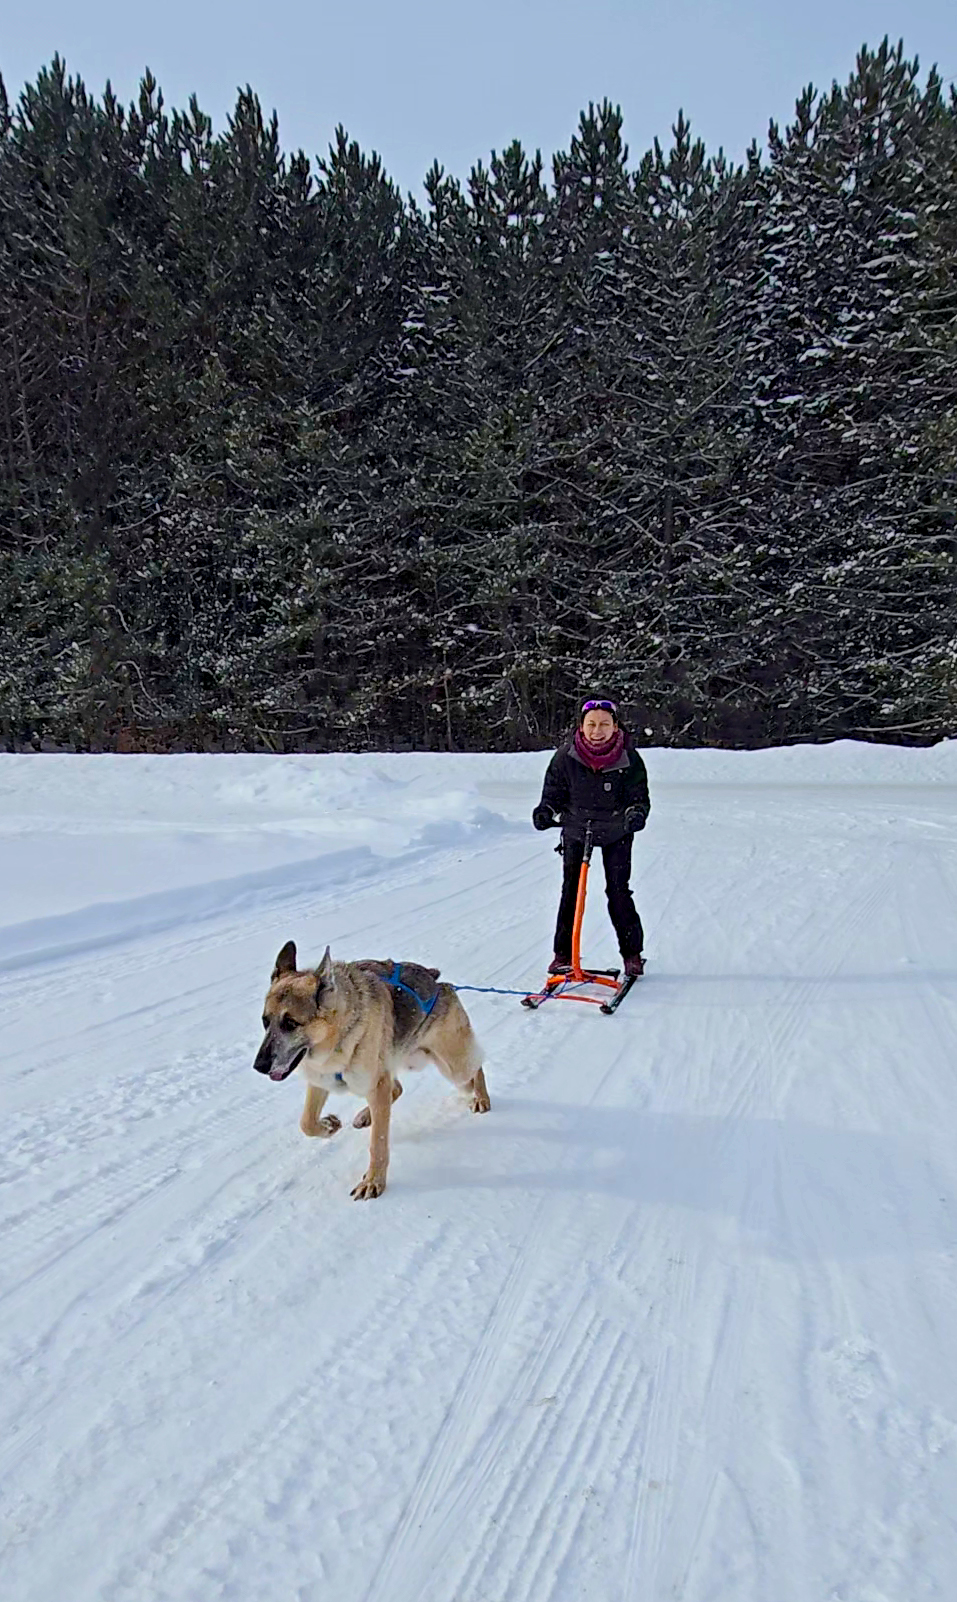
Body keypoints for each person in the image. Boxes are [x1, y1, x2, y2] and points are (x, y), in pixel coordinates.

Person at [532, 696, 650, 978]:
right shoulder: (565, 756)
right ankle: (562, 955)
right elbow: (554, 794)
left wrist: (635, 814)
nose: (598, 731)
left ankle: (632, 954)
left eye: (604, 724)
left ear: (615, 726)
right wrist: (545, 811)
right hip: (576, 829)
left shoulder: (629, 758)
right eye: (592, 724)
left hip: (616, 831)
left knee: (618, 891)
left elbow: (639, 797)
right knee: (571, 891)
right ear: (581, 726)